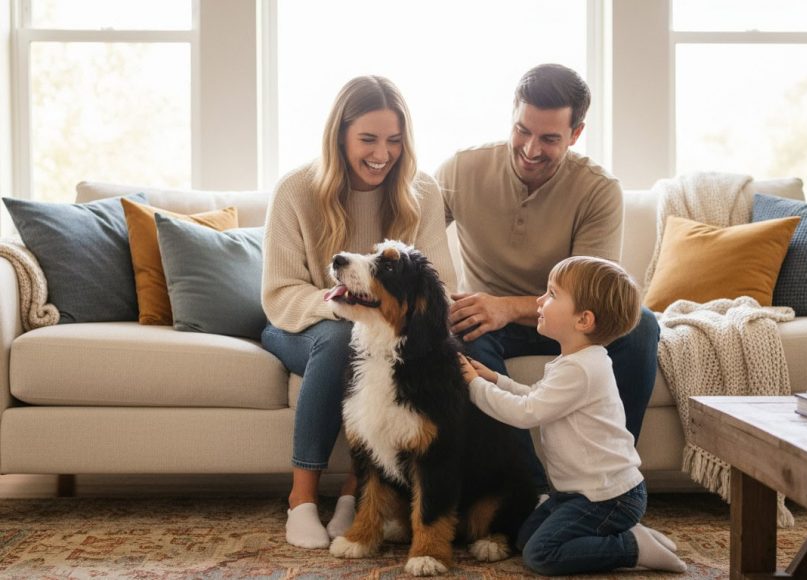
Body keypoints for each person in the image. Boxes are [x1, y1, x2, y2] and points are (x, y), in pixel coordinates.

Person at [436, 63, 660, 491]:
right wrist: (448, 298)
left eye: (550, 138)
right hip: (491, 326)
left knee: (641, 326)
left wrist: (506, 306)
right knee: (464, 330)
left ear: (575, 134)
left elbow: (595, 298)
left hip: (570, 319)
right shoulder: (460, 171)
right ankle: (532, 491)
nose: (531, 149)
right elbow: (416, 241)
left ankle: (611, 483)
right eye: (523, 131)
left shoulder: (598, 189)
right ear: (513, 116)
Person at [261, 76, 457, 549]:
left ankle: (355, 495)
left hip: (375, 327)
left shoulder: (422, 191)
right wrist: (348, 310)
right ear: (341, 136)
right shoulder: (296, 189)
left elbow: (441, 285)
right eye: (368, 139)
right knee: (338, 342)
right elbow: (279, 292)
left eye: (393, 141)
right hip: (300, 323)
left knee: (404, 349)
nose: (381, 154)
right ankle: (302, 501)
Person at [459, 256, 686, 576]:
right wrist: (496, 380)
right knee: (525, 537)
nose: (539, 300)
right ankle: (626, 534)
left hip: (610, 498)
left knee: (541, 555)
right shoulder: (574, 362)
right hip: (577, 495)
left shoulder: (581, 369)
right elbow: (539, 396)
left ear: (584, 320)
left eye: (551, 294)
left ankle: (632, 547)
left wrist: (474, 386)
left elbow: (526, 413)